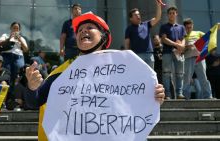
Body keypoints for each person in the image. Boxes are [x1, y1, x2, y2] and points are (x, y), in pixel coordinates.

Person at [25, 12, 165, 141]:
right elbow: (34, 102)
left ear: (104, 37)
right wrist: (32, 87)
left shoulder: (125, 69)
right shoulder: (62, 72)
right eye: (79, 30)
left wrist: (154, 96)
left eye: (90, 27)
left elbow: (140, 99)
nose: (83, 31)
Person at [124, 0, 162, 69]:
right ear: (131, 18)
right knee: (139, 77)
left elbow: (157, 18)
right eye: (135, 15)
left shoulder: (146, 24)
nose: (138, 16)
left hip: (149, 54)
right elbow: (127, 44)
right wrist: (128, 56)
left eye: (138, 14)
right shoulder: (129, 29)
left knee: (150, 76)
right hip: (137, 55)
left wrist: (158, 6)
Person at [159, 6, 186, 99]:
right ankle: (168, 94)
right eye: (170, 13)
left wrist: (182, 45)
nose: (171, 15)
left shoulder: (181, 27)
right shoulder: (164, 26)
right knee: (166, 73)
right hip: (167, 52)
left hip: (179, 53)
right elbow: (164, 39)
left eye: (173, 13)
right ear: (167, 15)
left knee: (180, 73)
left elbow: (184, 39)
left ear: (176, 14)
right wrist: (177, 45)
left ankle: (179, 93)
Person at [183, 18, 213, 99]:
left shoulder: (198, 33)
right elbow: (180, 48)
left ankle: (208, 96)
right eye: (187, 27)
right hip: (188, 58)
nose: (189, 29)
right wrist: (187, 47)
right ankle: (186, 97)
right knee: (186, 79)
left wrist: (204, 49)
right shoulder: (183, 35)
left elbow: (208, 38)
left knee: (203, 77)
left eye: (190, 27)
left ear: (192, 26)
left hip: (200, 58)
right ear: (184, 27)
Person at [0, 22, 28, 101]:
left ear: (19, 30)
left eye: (17, 28)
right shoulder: (5, 35)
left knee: (17, 77)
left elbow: (26, 49)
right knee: (6, 76)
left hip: (18, 57)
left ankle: (14, 99)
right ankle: (4, 99)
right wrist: (9, 38)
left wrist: (19, 40)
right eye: (14, 28)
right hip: (7, 56)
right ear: (11, 28)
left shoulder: (21, 38)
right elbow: (0, 43)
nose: (15, 29)